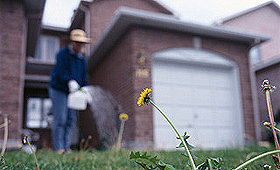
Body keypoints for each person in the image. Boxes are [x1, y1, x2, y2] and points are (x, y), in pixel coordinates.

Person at [49, 29, 90, 154]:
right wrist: (70, 81)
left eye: (81, 43)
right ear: (72, 42)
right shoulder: (62, 54)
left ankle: (67, 147)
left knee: (70, 120)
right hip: (59, 89)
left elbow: (84, 77)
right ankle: (59, 147)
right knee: (60, 118)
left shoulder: (82, 60)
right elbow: (61, 72)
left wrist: (84, 89)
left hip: (73, 93)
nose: (79, 45)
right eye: (77, 42)